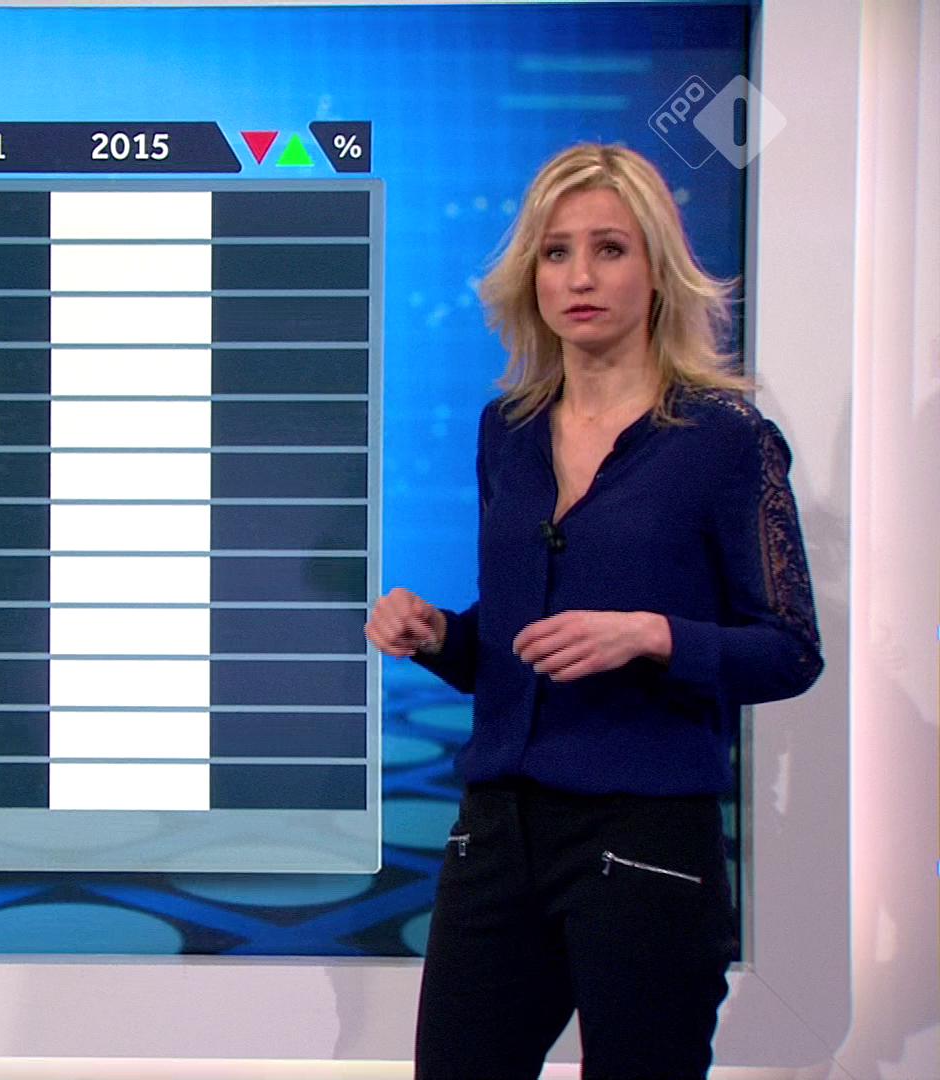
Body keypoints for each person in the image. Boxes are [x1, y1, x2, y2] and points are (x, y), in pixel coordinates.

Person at [367, 143, 823, 1080]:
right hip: (497, 837)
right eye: (556, 251)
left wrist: (652, 636)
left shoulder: (725, 438)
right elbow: (518, 646)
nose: (579, 277)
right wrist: (440, 635)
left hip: (645, 841)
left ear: (657, 270)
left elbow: (790, 650)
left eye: (609, 249)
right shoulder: (508, 432)